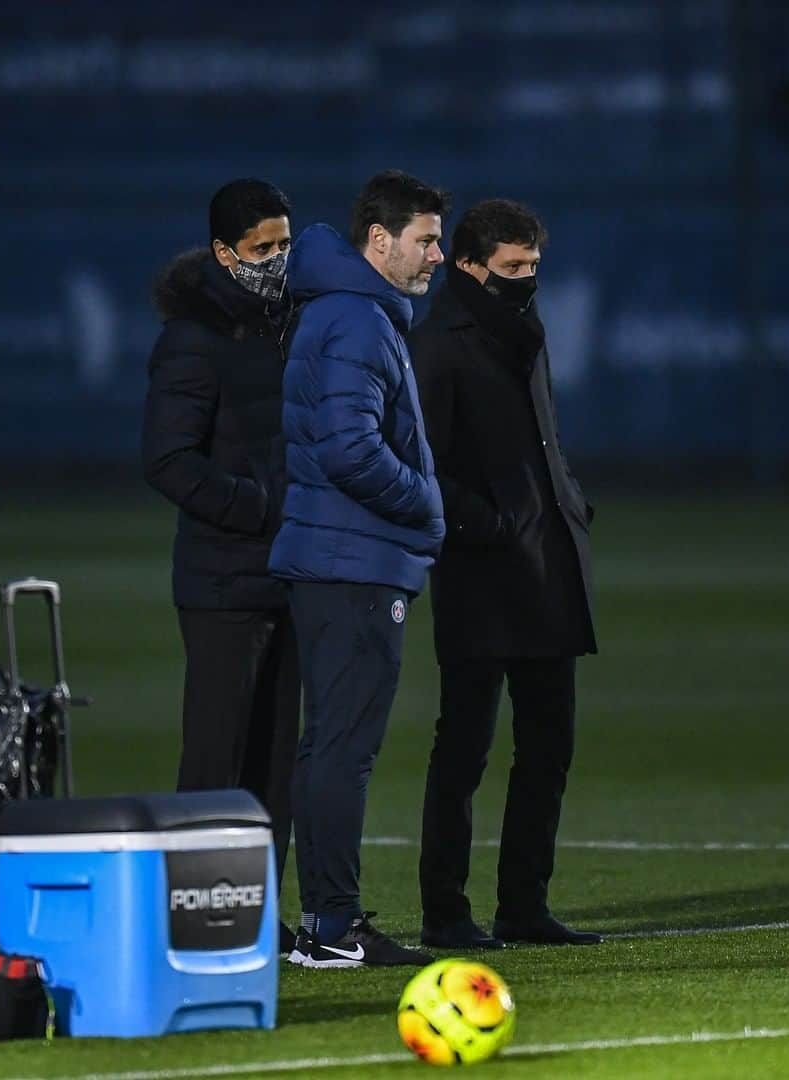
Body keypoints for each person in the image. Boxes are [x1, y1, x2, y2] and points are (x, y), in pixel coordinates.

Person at [409, 198, 602, 948]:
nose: (526, 281)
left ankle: (523, 907)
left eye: (533, 268)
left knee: (549, 743)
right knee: (464, 748)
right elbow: (421, 461)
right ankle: (445, 912)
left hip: (546, 562)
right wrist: (485, 524)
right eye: (512, 268)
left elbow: (544, 439)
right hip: (481, 573)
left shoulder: (523, 330)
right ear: (468, 266)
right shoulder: (440, 346)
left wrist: (568, 503)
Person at [269, 170, 449, 967]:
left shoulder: (348, 312)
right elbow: (349, 448)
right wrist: (426, 502)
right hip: (355, 562)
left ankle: (323, 926)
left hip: (335, 559)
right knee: (344, 748)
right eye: (425, 240)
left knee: (327, 747)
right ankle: (334, 929)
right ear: (379, 240)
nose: (437, 255)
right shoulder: (358, 320)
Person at [142, 179, 300, 952]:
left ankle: (258, 917)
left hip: (289, 572)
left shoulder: (286, 323)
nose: (275, 261)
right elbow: (167, 460)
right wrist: (260, 508)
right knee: (216, 755)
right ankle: (194, 917)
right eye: (261, 249)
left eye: (283, 245)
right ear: (223, 253)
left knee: (276, 757)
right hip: (221, 580)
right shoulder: (192, 338)